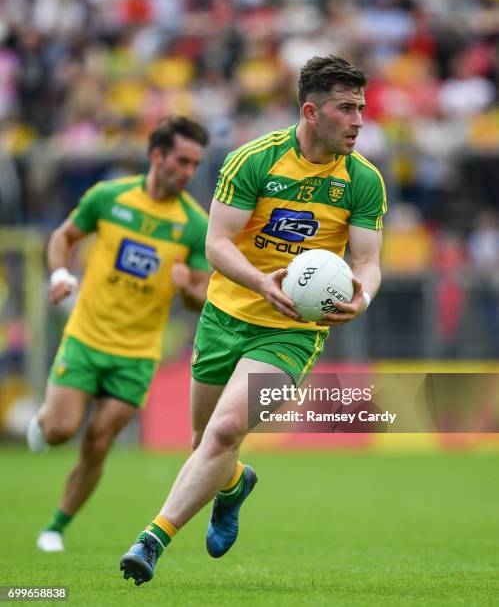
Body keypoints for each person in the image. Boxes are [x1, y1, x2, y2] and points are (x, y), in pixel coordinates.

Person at [120, 54, 387, 585]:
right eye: (346, 109)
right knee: (205, 442)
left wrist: (363, 299)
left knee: (223, 430)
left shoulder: (363, 180)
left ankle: (150, 540)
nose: (359, 120)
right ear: (311, 112)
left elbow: (367, 264)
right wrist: (263, 282)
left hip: (292, 331)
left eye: (361, 107)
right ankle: (234, 484)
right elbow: (216, 243)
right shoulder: (255, 161)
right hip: (226, 315)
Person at [27, 116, 211, 552]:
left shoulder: (194, 224)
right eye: (181, 161)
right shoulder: (109, 198)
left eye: (194, 164)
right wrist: (59, 273)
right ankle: (43, 420)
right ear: (157, 156)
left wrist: (189, 286)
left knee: (100, 439)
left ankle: (55, 526)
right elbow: (63, 236)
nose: (187, 172)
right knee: (60, 430)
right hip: (87, 338)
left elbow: (201, 299)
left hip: (137, 353)